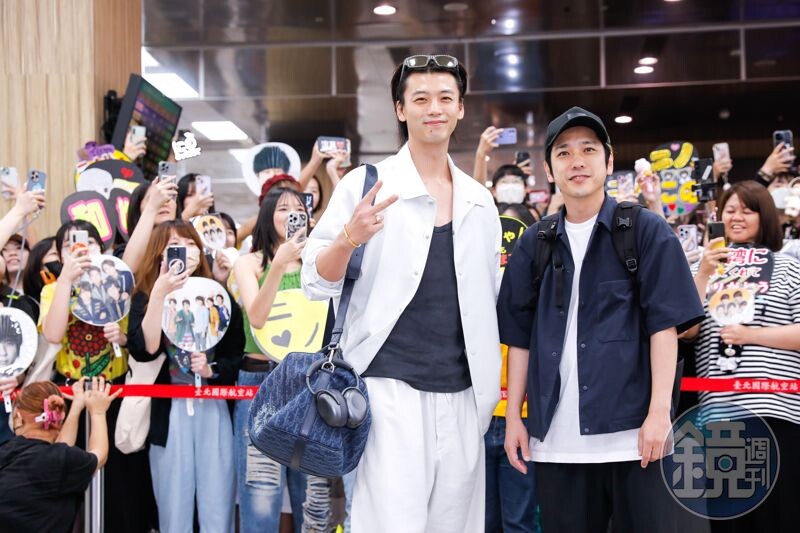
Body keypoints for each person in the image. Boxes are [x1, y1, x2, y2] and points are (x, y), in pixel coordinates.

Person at [302, 54, 501, 532]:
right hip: (387, 391)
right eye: (421, 99)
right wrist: (348, 238)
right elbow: (315, 279)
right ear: (400, 109)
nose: (434, 109)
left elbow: (488, 301)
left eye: (445, 98)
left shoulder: (479, 201)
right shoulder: (366, 184)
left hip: (464, 397)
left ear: (460, 109)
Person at [497, 106, 705, 532]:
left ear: (609, 162)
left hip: (636, 440)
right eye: (563, 152)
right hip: (556, 444)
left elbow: (664, 327)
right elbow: (519, 337)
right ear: (549, 170)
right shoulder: (534, 243)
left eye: (588, 150)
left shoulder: (644, 230)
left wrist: (659, 413)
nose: (577, 161)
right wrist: (515, 417)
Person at [684, 180, 800, 532]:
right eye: (730, 210)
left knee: (781, 515)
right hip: (720, 415)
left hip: (777, 408)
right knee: (732, 519)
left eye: (747, 211)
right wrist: (704, 272)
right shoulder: (703, 269)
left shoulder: (788, 267)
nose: (737, 217)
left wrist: (752, 335)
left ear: (765, 217)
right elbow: (684, 329)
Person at [127, 219, 243, 533]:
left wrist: (210, 369)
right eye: (175, 245)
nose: (186, 250)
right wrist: (159, 294)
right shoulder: (146, 295)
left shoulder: (217, 294)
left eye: (192, 243)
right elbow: (145, 349)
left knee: (217, 501)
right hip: (169, 410)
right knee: (173, 504)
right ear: (159, 253)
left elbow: (235, 353)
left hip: (213, 406)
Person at [233, 186, 332, 532]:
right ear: (267, 215)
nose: (293, 214)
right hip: (260, 379)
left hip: (308, 380)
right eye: (282, 209)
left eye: (299, 208)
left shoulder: (317, 261)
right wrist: (277, 263)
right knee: (261, 489)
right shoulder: (249, 262)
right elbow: (257, 317)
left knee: (312, 489)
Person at [0, 378, 120, 533]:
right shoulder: (59, 459)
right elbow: (99, 455)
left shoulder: (6, 451)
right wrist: (98, 412)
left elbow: (59, 451)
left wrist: (76, 407)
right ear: (59, 419)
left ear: (17, 417)